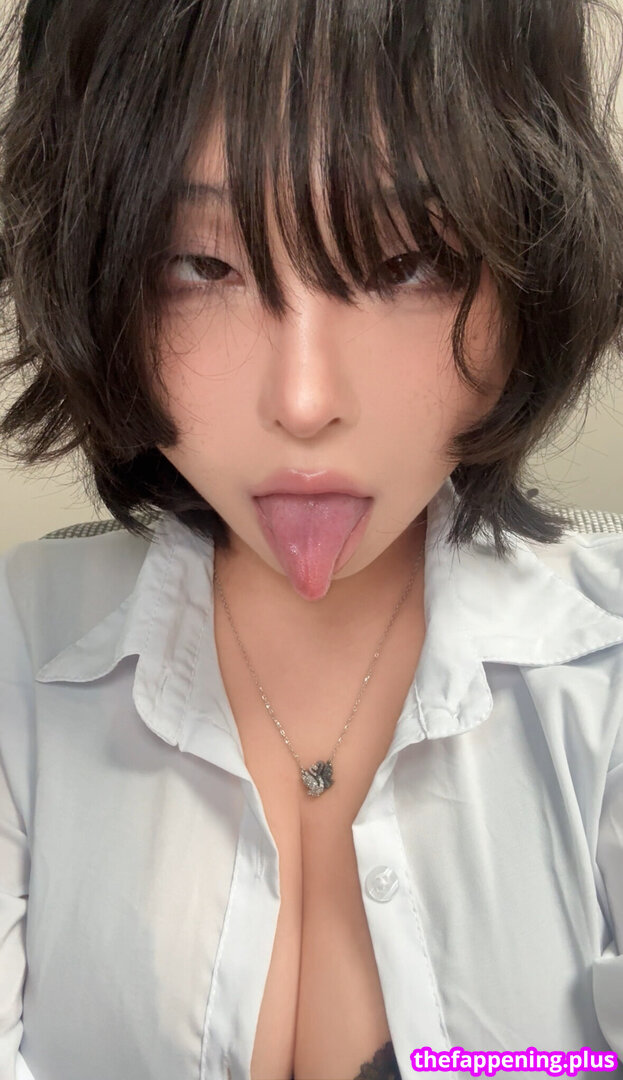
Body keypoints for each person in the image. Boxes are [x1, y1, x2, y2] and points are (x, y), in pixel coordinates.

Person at [1, 0, 623, 1077]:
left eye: (406, 261)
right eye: (198, 265)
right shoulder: (20, 653)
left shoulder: (603, 668)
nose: (301, 402)